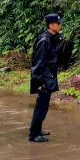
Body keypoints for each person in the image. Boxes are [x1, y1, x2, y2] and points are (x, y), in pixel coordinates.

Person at [29, 13, 63, 142]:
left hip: (48, 77)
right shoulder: (44, 40)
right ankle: (34, 134)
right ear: (51, 25)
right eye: (58, 23)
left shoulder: (52, 38)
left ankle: (38, 130)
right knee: (41, 106)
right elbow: (38, 63)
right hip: (44, 78)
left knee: (44, 106)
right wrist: (39, 82)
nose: (60, 25)